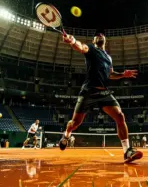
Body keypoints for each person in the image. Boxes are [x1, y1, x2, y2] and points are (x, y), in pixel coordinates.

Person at [60, 32, 142, 163]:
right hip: (88, 91)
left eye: (101, 34)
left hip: (104, 93)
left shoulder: (108, 58)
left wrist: (122, 74)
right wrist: (73, 40)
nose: (100, 35)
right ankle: (66, 135)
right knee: (75, 124)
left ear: (105, 40)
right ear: (94, 41)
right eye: (97, 35)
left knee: (120, 116)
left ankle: (127, 151)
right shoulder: (92, 49)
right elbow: (81, 47)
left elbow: (110, 74)